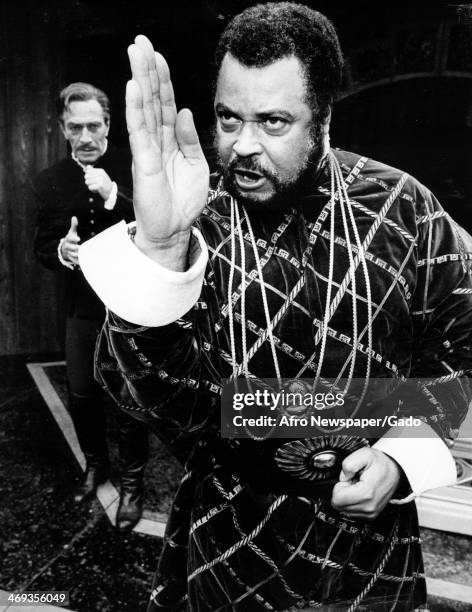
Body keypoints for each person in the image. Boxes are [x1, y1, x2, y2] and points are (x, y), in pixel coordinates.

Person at [80, 4, 472, 610]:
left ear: (324, 118)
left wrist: (400, 457)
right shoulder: (196, 219)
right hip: (228, 543)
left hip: (368, 555)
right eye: (229, 119)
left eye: (274, 122)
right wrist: (159, 251)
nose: (243, 147)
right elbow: (146, 396)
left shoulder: (403, 210)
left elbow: (461, 353)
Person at [34, 82, 148, 531]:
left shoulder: (133, 166)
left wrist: (112, 196)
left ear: (108, 124)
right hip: (82, 308)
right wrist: (60, 251)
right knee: (82, 394)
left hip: (129, 308)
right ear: (63, 128)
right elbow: (41, 245)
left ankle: (134, 485)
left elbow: (157, 230)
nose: (85, 136)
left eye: (94, 125)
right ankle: (96, 466)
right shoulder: (49, 181)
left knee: (130, 401)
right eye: (75, 127)